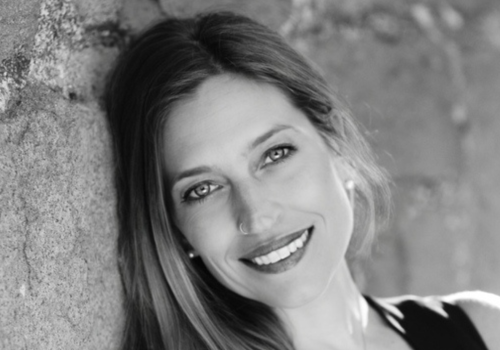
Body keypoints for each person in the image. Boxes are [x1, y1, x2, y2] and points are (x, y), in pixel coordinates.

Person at [105, 11, 500, 350]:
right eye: (202, 189)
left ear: (338, 147)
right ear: (177, 230)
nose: (256, 215)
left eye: (274, 155)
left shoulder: (485, 329)